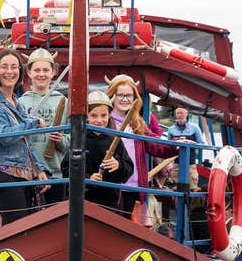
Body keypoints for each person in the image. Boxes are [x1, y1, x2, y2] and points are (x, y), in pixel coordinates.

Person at [0, 48, 50, 225]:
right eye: (4, 67)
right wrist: (33, 122)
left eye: (14, 67)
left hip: (22, 173)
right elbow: (6, 136)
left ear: (20, 71)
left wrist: (39, 168)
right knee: (18, 226)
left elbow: (25, 140)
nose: (9, 72)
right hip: (1, 171)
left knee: (22, 227)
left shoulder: (16, 101)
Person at [105, 74, 178, 222]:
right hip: (111, 185)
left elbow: (154, 144)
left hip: (133, 186)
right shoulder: (104, 121)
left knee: (126, 226)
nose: (125, 99)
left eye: (129, 95)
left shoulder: (137, 123)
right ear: (112, 96)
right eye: (120, 95)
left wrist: (175, 144)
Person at [61, 91, 133, 212]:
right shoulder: (79, 140)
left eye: (103, 115)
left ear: (109, 115)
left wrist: (118, 165)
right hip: (83, 201)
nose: (99, 120)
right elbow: (66, 169)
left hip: (110, 202)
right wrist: (88, 178)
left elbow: (128, 170)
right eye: (94, 116)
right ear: (87, 116)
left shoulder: (115, 139)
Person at [18, 49, 69, 205]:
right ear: (29, 72)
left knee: (53, 221)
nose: (42, 74)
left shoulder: (63, 101)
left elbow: (72, 138)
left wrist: (61, 140)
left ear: (53, 72)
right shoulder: (20, 102)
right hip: (27, 172)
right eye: (37, 70)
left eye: (46, 70)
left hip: (55, 172)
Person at [165, 107, 204, 188]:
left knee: (192, 188)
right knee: (175, 189)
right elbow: (167, 146)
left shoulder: (195, 128)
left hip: (191, 163)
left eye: (181, 113)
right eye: (177, 113)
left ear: (187, 114)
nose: (179, 115)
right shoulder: (171, 129)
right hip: (176, 163)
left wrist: (192, 143)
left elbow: (201, 144)